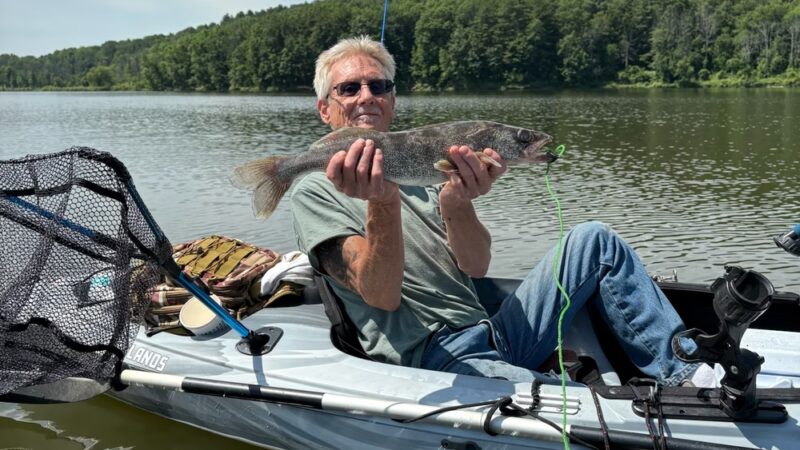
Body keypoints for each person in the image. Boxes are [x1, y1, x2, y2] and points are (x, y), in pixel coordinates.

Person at [291, 36, 706, 386]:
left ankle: (688, 377)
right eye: (350, 88)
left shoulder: (425, 175)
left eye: (379, 86)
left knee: (595, 241)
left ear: (392, 100)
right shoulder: (314, 191)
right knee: (570, 400)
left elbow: (476, 265)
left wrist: (456, 202)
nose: (367, 96)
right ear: (324, 109)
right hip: (433, 358)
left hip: (493, 332)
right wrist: (382, 201)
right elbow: (380, 295)